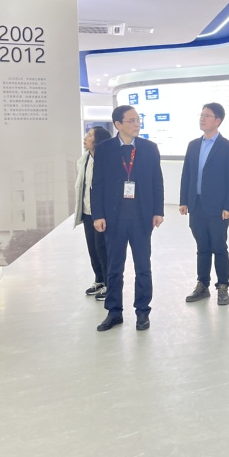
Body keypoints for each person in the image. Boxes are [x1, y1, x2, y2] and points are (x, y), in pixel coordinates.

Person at [91, 106, 164, 332]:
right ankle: (114, 312)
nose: (136, 124)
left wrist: (158, 211)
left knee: (143, 267)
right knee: (114, 268)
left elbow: (157, 181)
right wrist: (98, 215)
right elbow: (97, 184)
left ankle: (142, 311)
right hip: (114, 219)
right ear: (118, 124)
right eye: (131, 120)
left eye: (137, 120)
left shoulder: (149, 148)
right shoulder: (104, 149)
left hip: (141, 218)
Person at [180, 103, 229, 305]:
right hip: (196, 205)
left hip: (218, 207)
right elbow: (187, 174)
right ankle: (202, 285)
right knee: (202, 247)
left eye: (207, 115)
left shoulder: (228, 147)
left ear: (218, 120)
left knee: (219, 247)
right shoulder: (193, 145)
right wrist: (184, 200)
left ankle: (222, 287)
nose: (202, 118)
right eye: (201, 115)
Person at [74, 126, 112, 299]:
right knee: (93, 248)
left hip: (102, 213)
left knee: (103, 248)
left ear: (98, 141)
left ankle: (110, 284)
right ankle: (100, 280)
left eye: (89, 135)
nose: (85, 138)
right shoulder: (85, 159)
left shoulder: (107, 161)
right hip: (87, 210)